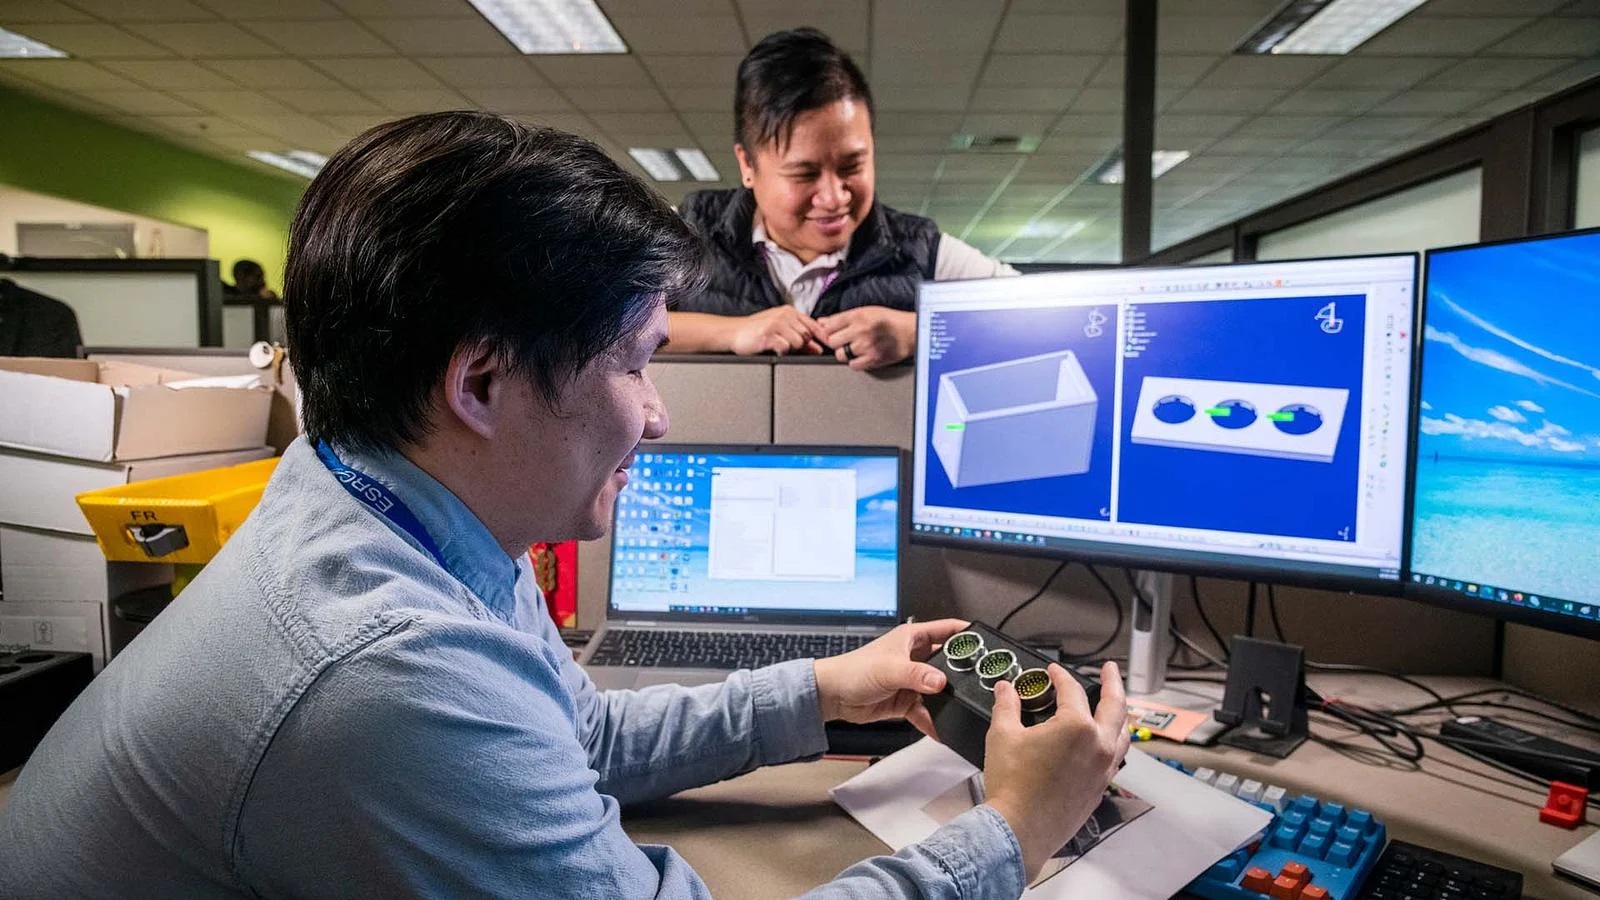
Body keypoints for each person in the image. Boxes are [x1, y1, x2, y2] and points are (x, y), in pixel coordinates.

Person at [0, 112, 1128, 898]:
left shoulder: (372, 502)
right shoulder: (383, 671)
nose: (658, 415)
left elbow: (571, 737)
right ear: (480, 383)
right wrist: (1013, 831)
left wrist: (826, 687)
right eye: (636, 363)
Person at [665, 28, 1017, 371]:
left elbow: (1058, 317)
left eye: (853, 165)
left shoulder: (921, 250)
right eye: (804, 174)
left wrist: (920, 332)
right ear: (748, 165)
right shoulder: (686, 234)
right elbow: (611, 320)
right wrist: (732, 332)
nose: (834, 198)